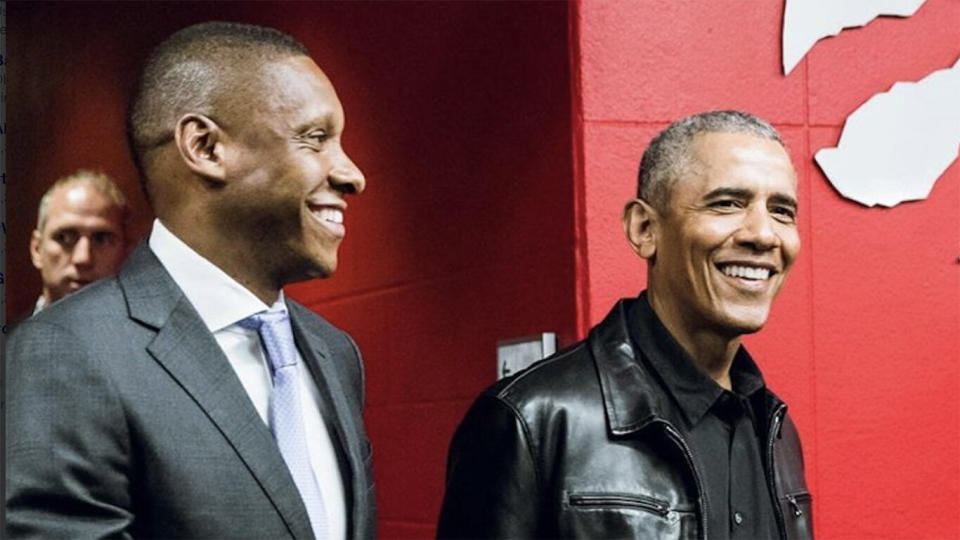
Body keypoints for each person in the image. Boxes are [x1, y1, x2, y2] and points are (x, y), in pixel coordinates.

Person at [6, 22, 375, 539]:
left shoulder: (336, 354)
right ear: (205, 147)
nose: (352, 174)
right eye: (316, 139)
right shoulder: (64, 352)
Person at [438, 111, 813, 539]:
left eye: (782, 211)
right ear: (645, 228)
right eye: (726, 203)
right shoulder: (530, 420)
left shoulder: (776, 429)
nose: (764, 234)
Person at [29, 170, 128, 314]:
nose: (83, 259)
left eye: (101, 239)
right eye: (64, 238)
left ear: (127, 251)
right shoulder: (10, 336)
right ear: (37, 249)